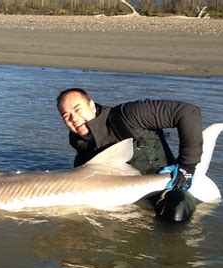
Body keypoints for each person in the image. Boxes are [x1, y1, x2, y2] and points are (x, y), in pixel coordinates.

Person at [56, 88, 203, 221]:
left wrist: (188, 164)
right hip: (125, 197)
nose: (73, 119)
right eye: (66, 116)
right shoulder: (80, 144)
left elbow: (188, 112)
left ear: (92, 106)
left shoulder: (129, 115)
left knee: (176, 210)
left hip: (169, 185)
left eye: (77, 109)